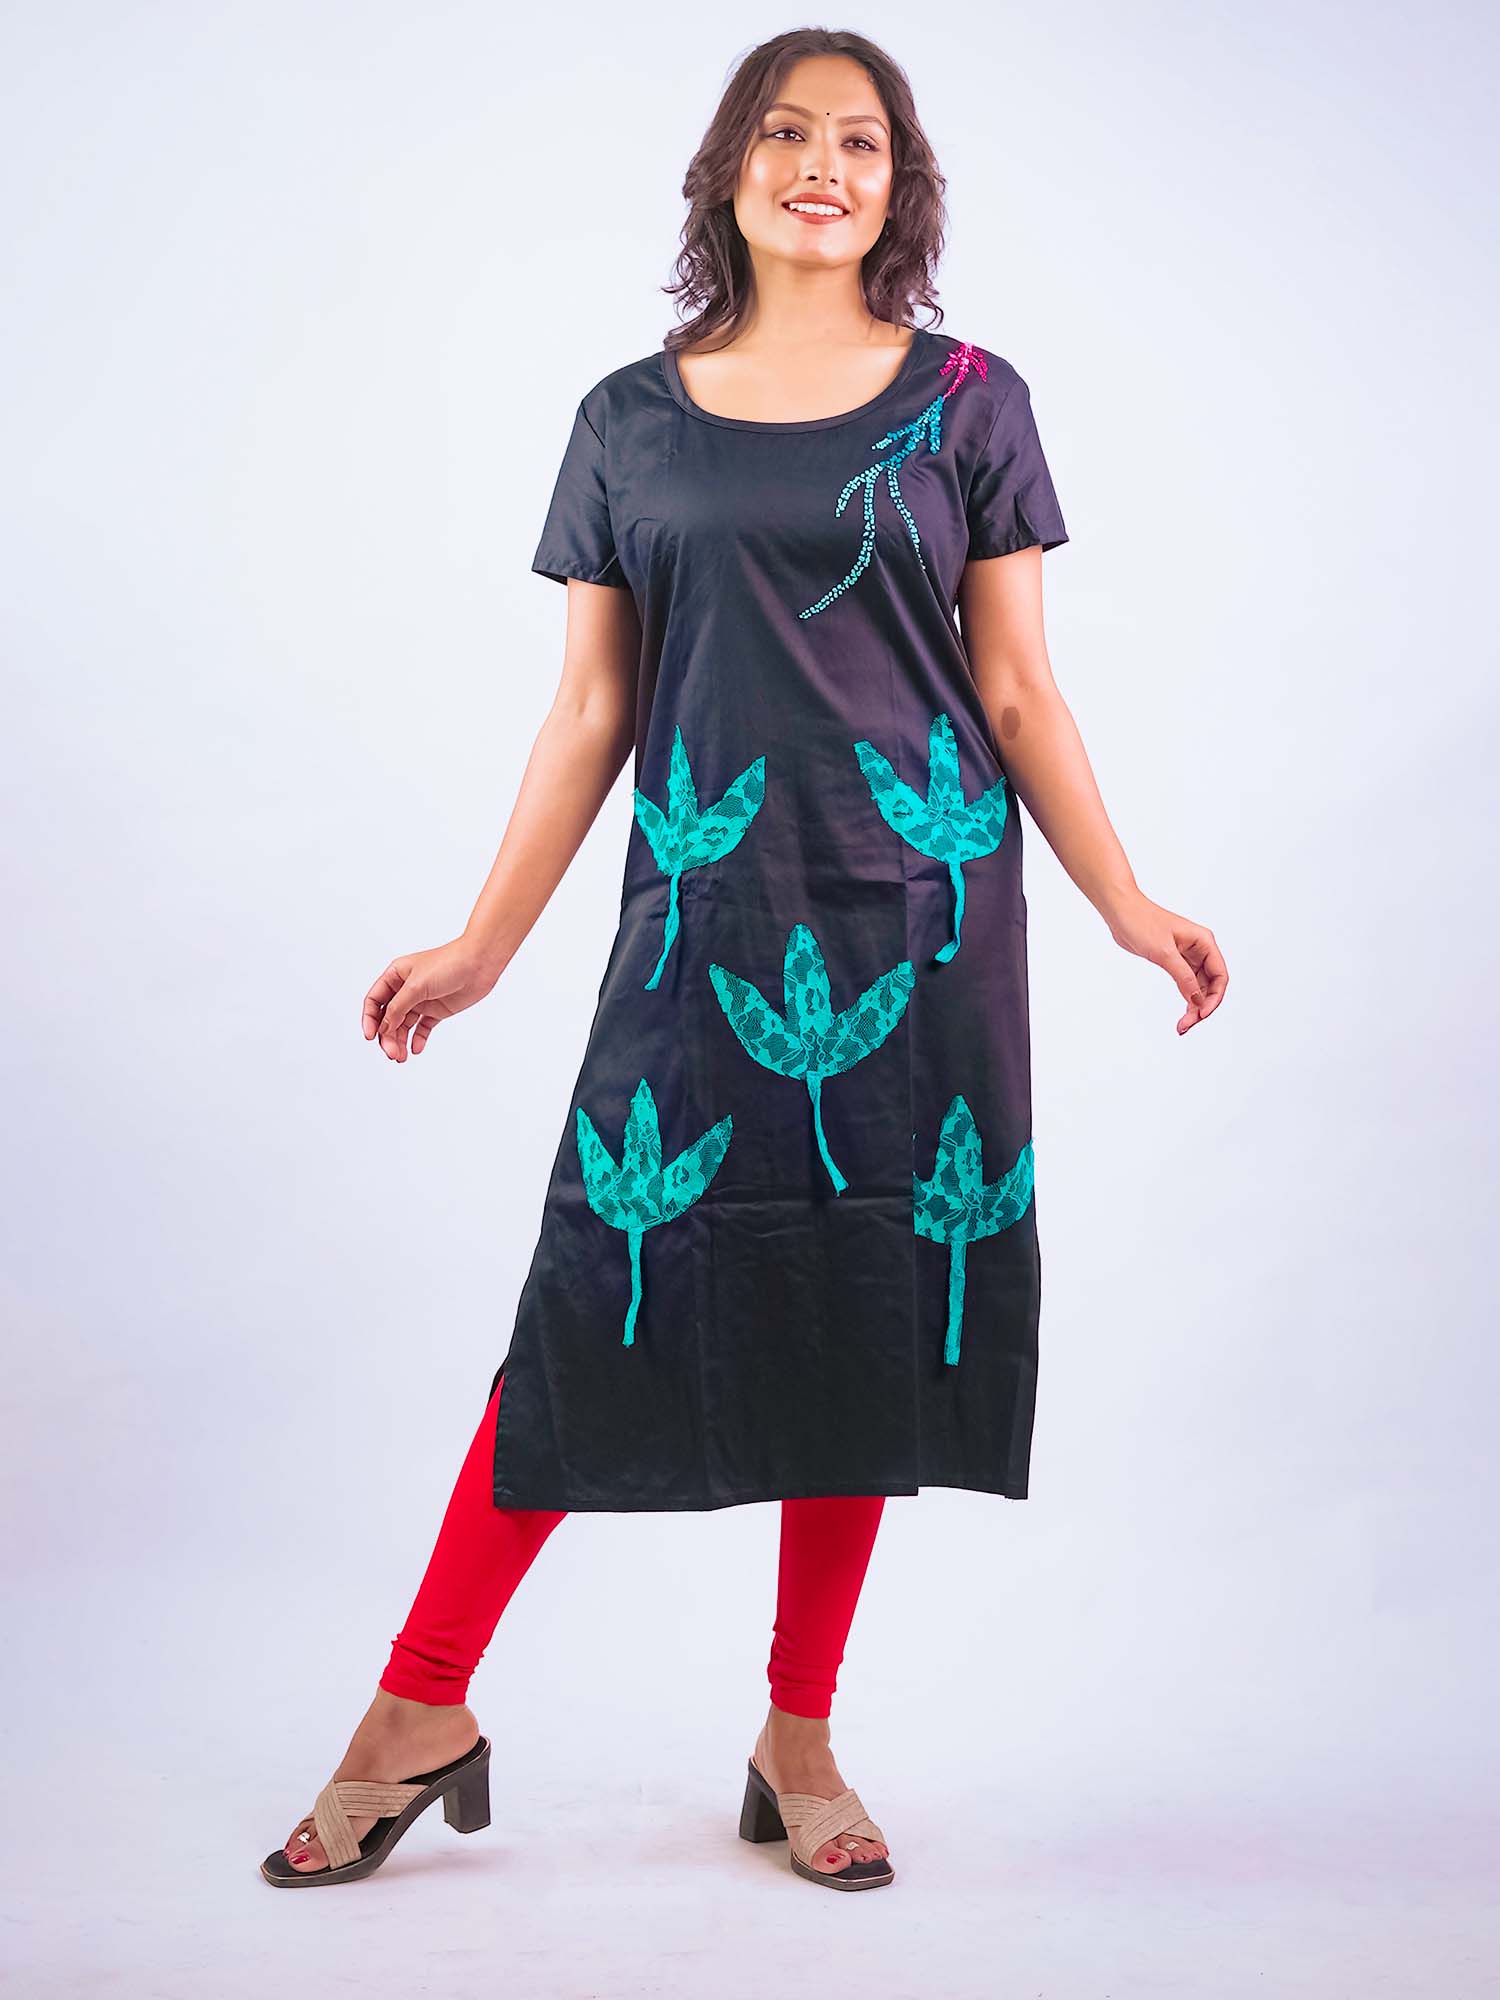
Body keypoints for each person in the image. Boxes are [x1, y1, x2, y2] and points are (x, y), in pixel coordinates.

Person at [261, 26, 1227, 1895]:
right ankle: (418, 1704)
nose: (821, 167)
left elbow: (1018, 688)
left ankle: (801, 1733)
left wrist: (1124, 900)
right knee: (593, 1291)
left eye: (860, 141)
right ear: (727, 169)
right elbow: (591, 712)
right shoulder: (630, 418)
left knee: (864, 1302)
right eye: (785, 133)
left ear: (900, 184)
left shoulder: (973, 402)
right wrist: (482, 944)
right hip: (702, 919)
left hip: (926, 919)